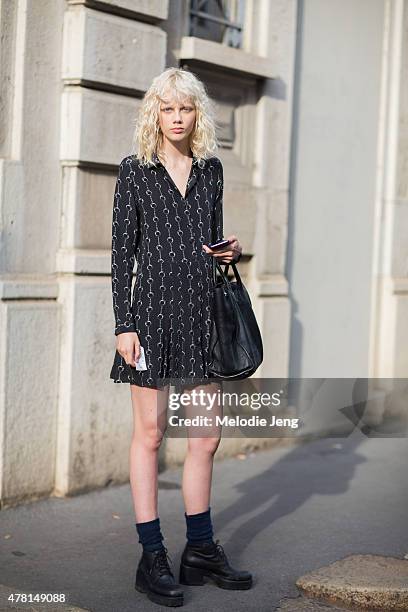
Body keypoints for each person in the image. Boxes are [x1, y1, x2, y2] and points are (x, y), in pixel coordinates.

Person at [109, 67, 251, 607]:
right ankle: (152, 556)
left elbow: (210, 238)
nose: (176, 118)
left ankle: (200, 549)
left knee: (206, 438)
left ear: (197, 115)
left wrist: (227, 251)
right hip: (150, 319)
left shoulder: (211, 170)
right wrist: (125, 323)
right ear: (155, 113)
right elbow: (122, 254)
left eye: (185, 109)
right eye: (167, 108)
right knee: (149, 435)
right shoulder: (136, 171)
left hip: (203, 318)